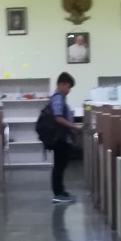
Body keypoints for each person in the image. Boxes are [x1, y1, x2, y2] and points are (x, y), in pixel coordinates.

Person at [49, 70, 76, 203]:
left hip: (61, 137)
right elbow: (58, 118)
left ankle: (61, 191)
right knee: (59, 166)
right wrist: (74, 127)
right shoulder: (58, 98)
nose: (69, 90)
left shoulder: (60, 98)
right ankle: (58, 194)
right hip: (60, 138)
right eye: (68, 87)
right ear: (61, 84)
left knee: (61, 166)